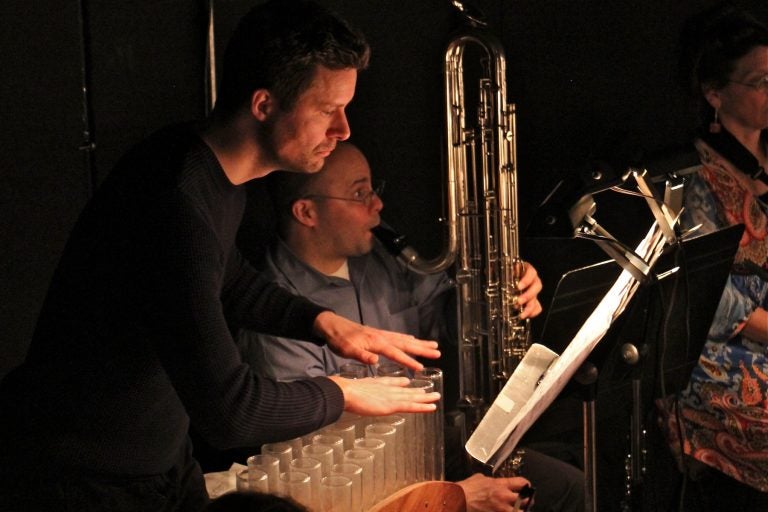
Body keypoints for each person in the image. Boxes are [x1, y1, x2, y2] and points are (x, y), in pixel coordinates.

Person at [0, 2, 443, 511]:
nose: (343, 130)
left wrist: (323, 322)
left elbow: (226, 277)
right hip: (81, 478)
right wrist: (342, 394)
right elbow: (231, 412)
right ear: (263, 105)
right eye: (328, 111)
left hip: (160, 461)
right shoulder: (175, 203)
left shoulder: (212, 173)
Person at [238, 142, 585, 512]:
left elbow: (448, 317)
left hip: (422, 444)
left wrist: (501, 292)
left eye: (374, 189)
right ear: (306, 212)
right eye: (360, 194)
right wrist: (455, 496)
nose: (378, 205)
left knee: (570, 486)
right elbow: (316, 451)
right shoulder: (274, 310)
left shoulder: (379, 252)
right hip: (362, 484)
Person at [657, 3, 768, 510]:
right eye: (761, 80)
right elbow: (716, 302)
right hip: (716, 366)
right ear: (715, 95)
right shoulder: (692, 179)